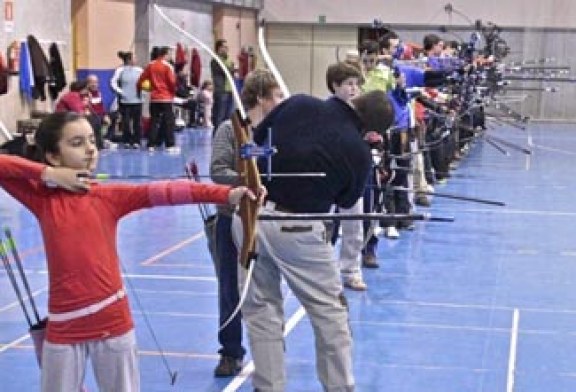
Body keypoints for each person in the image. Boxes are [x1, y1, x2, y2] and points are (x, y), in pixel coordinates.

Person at [0, 111, 261, 392]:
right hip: (64, 328)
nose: (90, 149)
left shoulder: (108, 197)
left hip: (113, 323)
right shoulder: (42, 200)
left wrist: (227, 194)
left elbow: (170, 190)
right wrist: (48, 174)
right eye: (76, 143)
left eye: (91, 140)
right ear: (52, 155)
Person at [232, 90, 395, 392]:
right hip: (299, 231)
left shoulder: (299, 102)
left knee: (261, 310)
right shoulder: (356, 150)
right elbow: (348, 200)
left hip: (250, 217)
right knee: (330, 315)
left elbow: (257, 142)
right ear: (373, 131)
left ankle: (268, 387)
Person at [210, 69, 284, 377]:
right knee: (230, 289)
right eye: (277, 96)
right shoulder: (230, 130)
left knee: (267, 287)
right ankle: (230, 351)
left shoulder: (278, 130)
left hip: (267, 220)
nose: (281, 101)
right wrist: (248, 183)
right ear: (261, 98)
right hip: (231, 220)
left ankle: (271, 349)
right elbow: (217, 170)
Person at [325, 62, 368, 291]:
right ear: (335, 86)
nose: (353, 89)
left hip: (353, 177)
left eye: (356, 84)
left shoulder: (361, 111)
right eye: (348, 84)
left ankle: (351, 270)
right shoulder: (325, 111)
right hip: (329, 177)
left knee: (354, 226)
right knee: (324, 224)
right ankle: (323, 270)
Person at [137, 46, 177, 152]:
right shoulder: (168, 66)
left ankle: (151, 144)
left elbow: (141, 79)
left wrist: (140, 89)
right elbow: (172, 82)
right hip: (166, 97)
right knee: (169, 121)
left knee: (154, 121)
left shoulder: (150, 65)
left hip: (154, 98)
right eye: (170, 54)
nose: (170, 56)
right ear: (165, 54)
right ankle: (170, 145)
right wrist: (172, 94)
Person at [110, 51, 143, 149]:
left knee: (137, 122)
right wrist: (120, 91)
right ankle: (127, 140)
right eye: (134, 57)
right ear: (129, 60)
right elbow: (113, 82)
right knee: (126, 122)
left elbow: (145, 81)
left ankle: (137, 140)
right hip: (125, 101)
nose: (136, 59)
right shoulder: (120, 70)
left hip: (137, 100)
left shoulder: (139, 70)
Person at [210, 39, 235, 130]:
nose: (227, 49)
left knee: (228, 117)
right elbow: (226, 71)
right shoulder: (215, 60)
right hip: (221, 91)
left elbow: (232, 70)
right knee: (219, 117)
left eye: (227, 47)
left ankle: (225, 138)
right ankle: (217, 138)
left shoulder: (227, 60)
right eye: (225, 47)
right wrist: (232, 68)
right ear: (219, 48)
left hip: (229, 90)